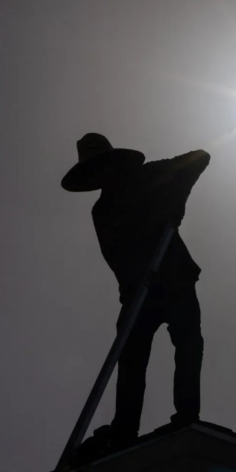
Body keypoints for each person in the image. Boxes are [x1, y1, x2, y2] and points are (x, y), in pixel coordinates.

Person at [62, 133, 210, 451]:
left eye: (102, 165)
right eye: (93, 170)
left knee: (188, 344)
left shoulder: (151, 174)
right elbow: (114, 254)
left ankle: (187, 413)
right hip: (137, 290)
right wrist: (132, 282)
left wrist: (176, 201)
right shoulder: (102, 210)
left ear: (113, 162)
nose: (101, 174)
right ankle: (124, 428)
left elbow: (200, 157)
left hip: (175, 279)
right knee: (130, 359)